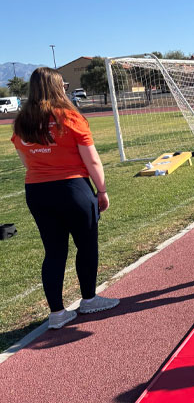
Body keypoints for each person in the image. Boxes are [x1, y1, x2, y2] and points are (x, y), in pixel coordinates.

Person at [11, 67, 120, 329]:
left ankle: (57, 313)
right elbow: (91, 159)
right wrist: (102, 191)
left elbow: (26, 160)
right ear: (57, 87)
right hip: (73, 189)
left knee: (54, 251)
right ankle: (88, 299)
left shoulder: (22, 120)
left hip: (37, 191)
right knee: (86, 245)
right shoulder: (70, 117)